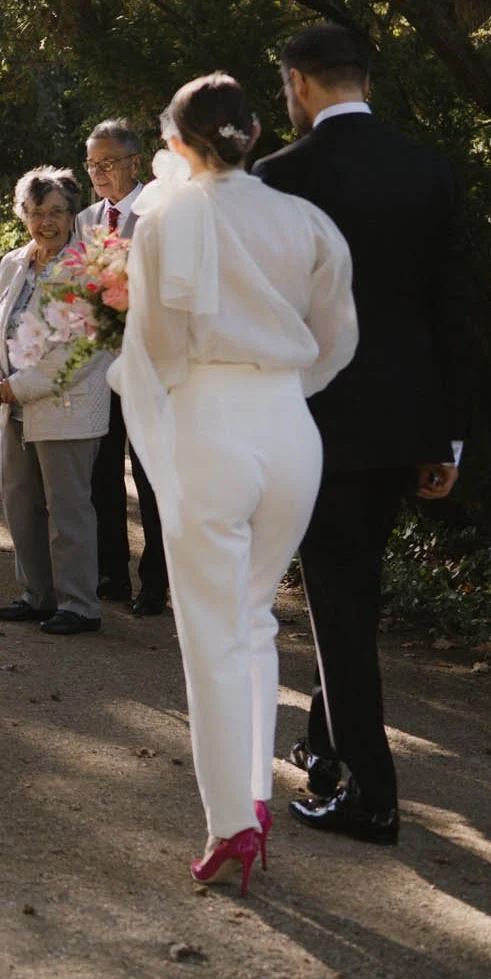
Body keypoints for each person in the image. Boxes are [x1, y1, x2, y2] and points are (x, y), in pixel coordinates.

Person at [112, 73, 356, 893]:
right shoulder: (307, 220)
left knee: (213, 631)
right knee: (252, 619)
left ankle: (233, 822)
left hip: (210, 421)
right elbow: (338, 338)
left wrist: (177, 397)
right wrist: (280, 388)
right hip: (290, 427)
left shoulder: (166, 220)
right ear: (252, 133)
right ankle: (251, 795)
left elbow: (154, 346)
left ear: (175, 143)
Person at [255, 24, 468, 846]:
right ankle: (325, 747)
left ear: (299, 84)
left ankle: (371, 797)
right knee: (351, 592)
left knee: (340, 602)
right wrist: (449, 437)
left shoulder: (281, 178)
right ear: (365, 81)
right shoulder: (428, 168)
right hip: (407, 423)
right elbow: (452, 309)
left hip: (318, 423)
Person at [0, 167, 110, 631]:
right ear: (24, 215)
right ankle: (36, 594)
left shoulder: (88, 267)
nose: (46, 222)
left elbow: (81, 350)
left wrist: (21, 385)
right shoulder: (14, 262)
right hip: (13, 404)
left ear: (73, 215)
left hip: (66, 406)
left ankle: (80, 604)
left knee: (68, 508)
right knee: (21, 503)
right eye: (36, 212)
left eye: (56, 212)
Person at [80, 118, 168, 616]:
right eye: (91, 164)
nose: (98, 173)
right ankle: (111, 571)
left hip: (150, 367)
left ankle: (155, 581)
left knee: (151, 476)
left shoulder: (160, 212)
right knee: (102, 473)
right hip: (99, 367)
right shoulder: (86, 219)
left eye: (108, 163)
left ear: (135, 162)